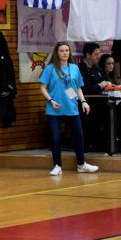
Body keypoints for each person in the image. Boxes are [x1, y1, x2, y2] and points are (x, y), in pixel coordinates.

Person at [39, 42, 100, 176]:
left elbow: (78, 87)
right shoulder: (50, 68)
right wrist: (51, 100)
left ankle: (81, 164)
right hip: (54, 110)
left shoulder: (74, 68)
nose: (65, 53)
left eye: (67, 50)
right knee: (56, 137)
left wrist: (83, 102)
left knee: (78, 136)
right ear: (57, 53)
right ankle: (57, 166)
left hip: (71, 108)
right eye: (61, 51)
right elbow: (42, 88)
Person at [79, 43, 111, 152]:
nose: (99, 56)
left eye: (99, 53)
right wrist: (100, 85)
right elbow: (84, 89)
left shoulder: (97, 69)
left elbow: (107, 81)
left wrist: (109, 84)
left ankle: (108, 142)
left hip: (100, 103)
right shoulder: (80, 69)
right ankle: (90, 144)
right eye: (96, 54)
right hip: (86, 104)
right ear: (88, 55)